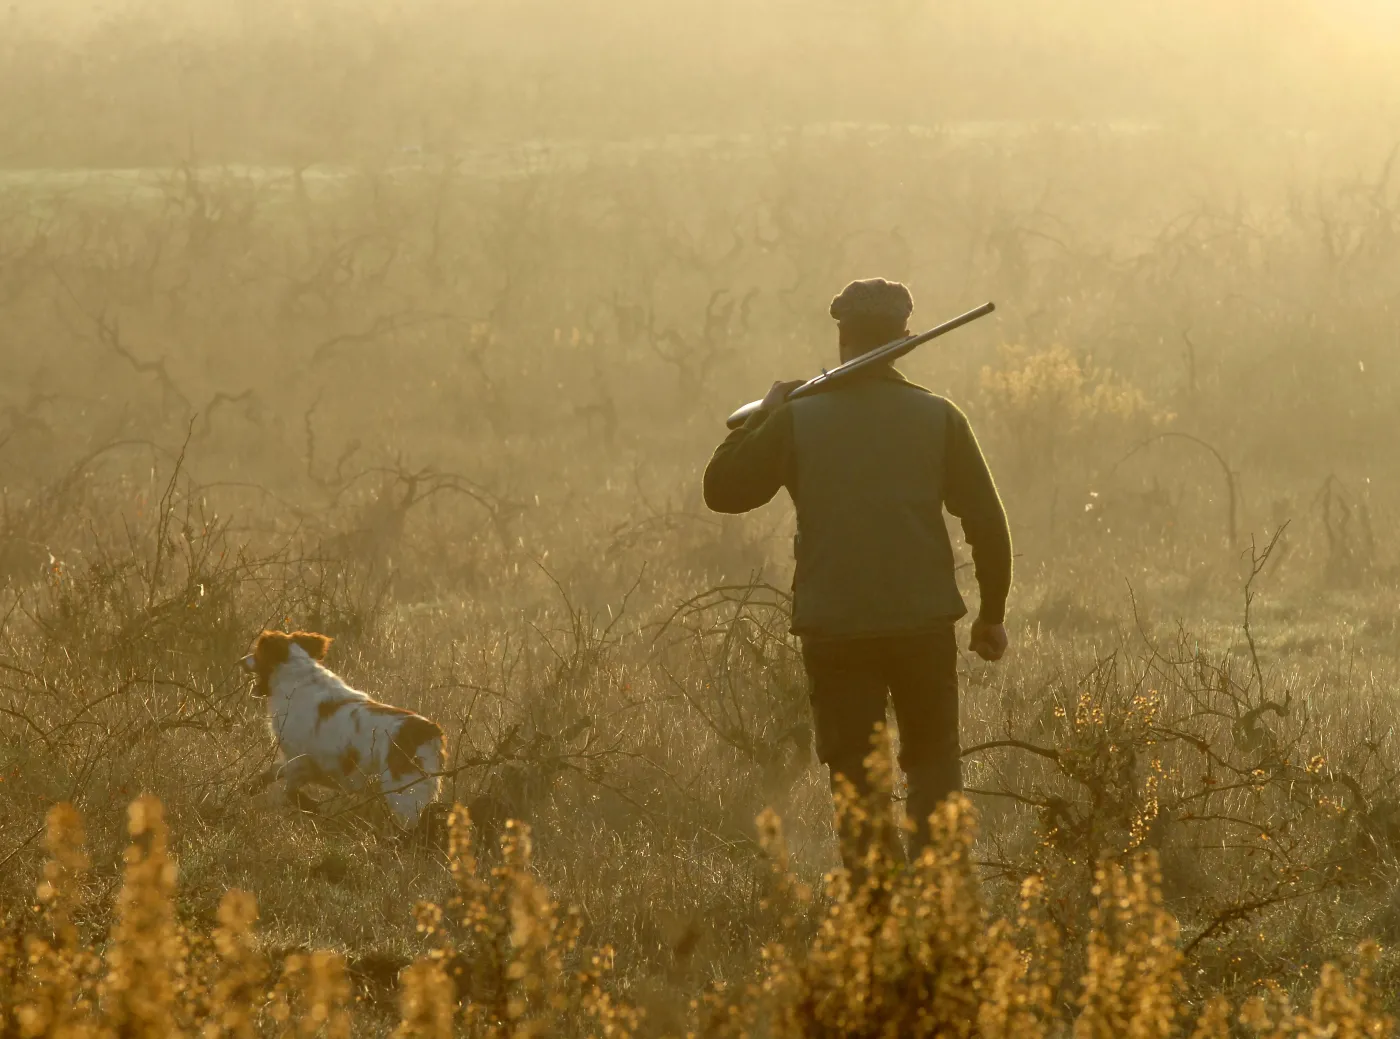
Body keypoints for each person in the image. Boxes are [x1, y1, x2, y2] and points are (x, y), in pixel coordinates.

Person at [702, 278, 1012, 863]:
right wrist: (991, 614)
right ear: (904, 337)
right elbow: (988, 523)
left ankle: (876, 908)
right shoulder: (940, 416)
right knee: (934, 768)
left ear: (842, 337)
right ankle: (940, 899)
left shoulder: (796, 420)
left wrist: (763, 416)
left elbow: (722, 490)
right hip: (922, 625)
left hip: (836, 629)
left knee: (857, 782)